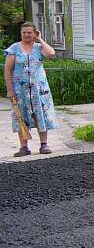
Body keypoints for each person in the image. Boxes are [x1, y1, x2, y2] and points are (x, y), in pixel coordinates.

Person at [4, 21, 59, 157]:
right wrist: (9, 89)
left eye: (29, 32)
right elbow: (7, 70)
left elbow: (51, 54)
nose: (26, 35)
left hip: (39, 89)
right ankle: (24, 147)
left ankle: (44, 145)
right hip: (20, 90)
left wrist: (40, 39)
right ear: (21, 33)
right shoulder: (14, 49)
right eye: (24, 32)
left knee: (41, 115)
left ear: (34, 33)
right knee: (21, 116)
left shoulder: (39, 47)